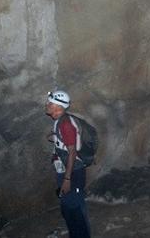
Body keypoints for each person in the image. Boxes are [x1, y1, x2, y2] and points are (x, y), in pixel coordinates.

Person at [45, 90, 91, 238]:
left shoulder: (65, 124)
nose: (47, 104)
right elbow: (67, 143)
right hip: (65, 170)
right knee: (68, 209)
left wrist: (67, 179)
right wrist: (55, 138)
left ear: (58, 106)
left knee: (75, 210)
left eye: (50, 103)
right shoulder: (60, 121)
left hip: (73, 173)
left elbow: (72, 152)